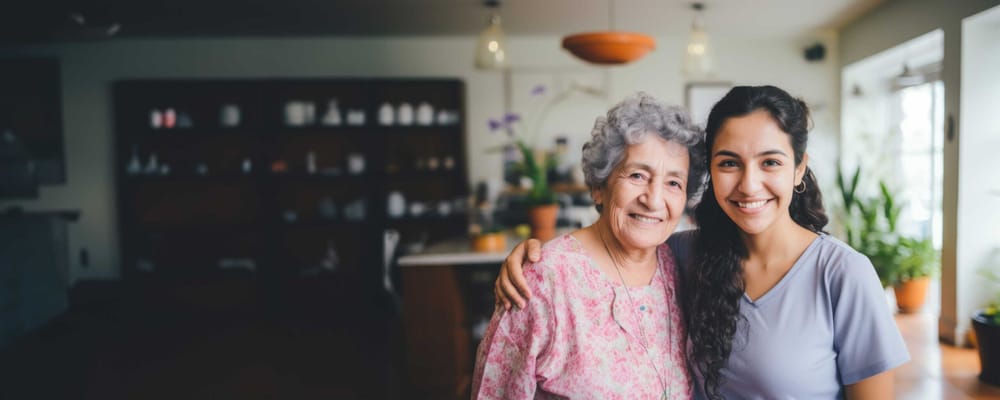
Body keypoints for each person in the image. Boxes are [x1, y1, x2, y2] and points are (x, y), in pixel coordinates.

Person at [493, 85, 910, 399]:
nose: (749, 185)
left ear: (799, 169)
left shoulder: (843, 274)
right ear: (710, 174)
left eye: (771, 162)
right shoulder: (684, 254)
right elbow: (606, 250)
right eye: (729, 163)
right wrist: (535, 256)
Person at [472, 92, 706, 399]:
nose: (654, 199)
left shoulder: (678, 260)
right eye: (637, 175)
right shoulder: (545, 279)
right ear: (599, 187)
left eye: (674, 183)